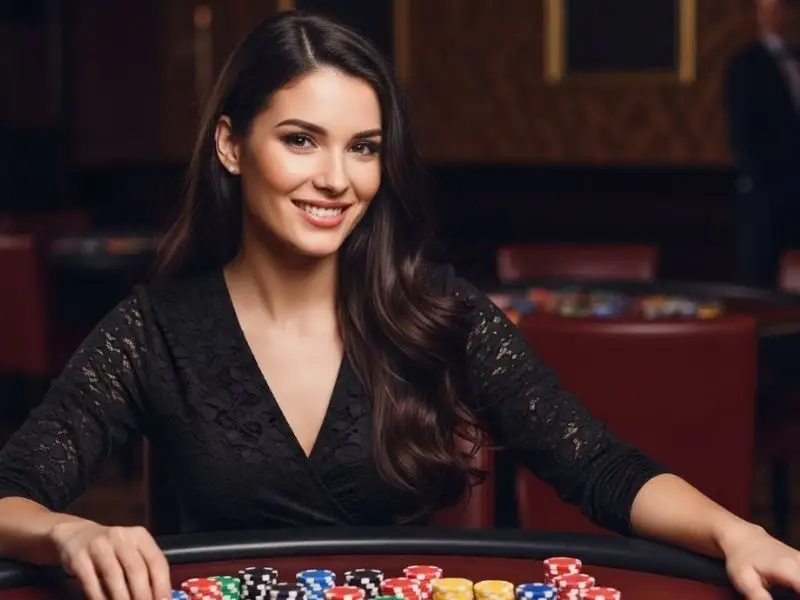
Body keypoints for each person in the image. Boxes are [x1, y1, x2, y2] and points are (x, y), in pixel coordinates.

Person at [0, 10, 798, 600]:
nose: (337, 180)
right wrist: (69, 529)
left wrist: (739, 532)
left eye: (364, 147)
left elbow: (598, 465)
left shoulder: (436, 310)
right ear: (231, 145)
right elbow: (13, 489)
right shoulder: (153, 330)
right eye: (301, 140)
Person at [725, 0, 800, 288]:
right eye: (766, 10)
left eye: (780, 8)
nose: (773, 16)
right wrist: (760, 184)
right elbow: (742, 131)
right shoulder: (746, 64)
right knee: (760, 278)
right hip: (766, 194)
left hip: (797, 189)